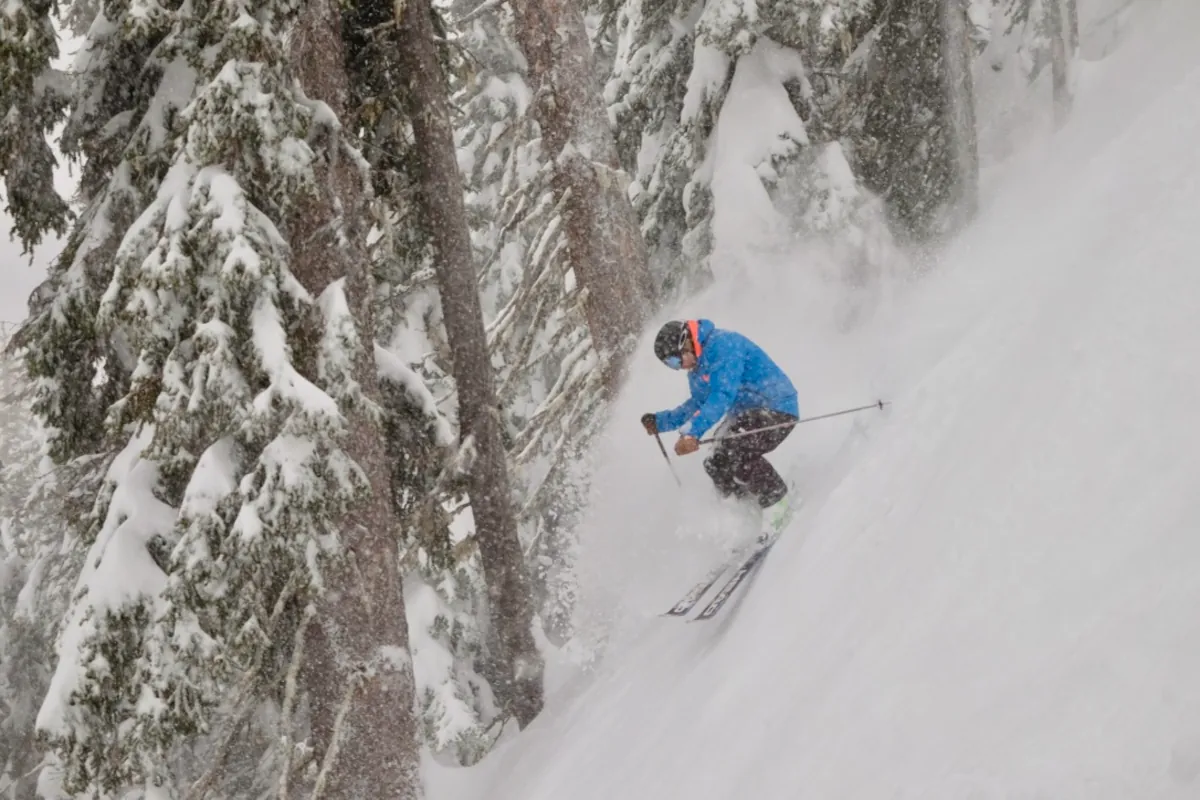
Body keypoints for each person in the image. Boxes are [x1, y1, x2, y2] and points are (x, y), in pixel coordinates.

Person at [640, 319, 800, 539]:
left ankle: (777, 502)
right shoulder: (697, 370)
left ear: (685, 343)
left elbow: (721, 397)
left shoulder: (723, 346)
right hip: (746, 416)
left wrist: (692, 434)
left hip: (776, 408)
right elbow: (697, 404)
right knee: (716, 462)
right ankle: (740, 514)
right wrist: (661, 421)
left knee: (738, 448)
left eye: (676, 361)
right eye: (671, 366)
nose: (679, 368)